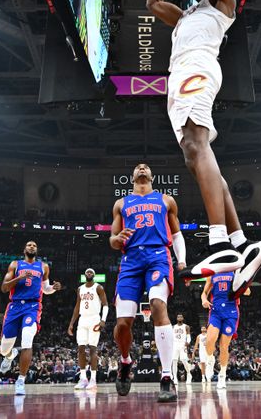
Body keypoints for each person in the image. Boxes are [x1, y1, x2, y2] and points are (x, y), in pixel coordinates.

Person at [146, 0, 261, 298]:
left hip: (197, 68)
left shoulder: (223, 4)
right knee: (195, 154)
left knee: (195, 145)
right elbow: (152, 3)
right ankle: (241, 240)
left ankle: (220, 245)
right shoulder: (186, 17)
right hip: (180, 76)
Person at [109, 163, 186, 402]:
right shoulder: (121, 203)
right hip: (131, 260)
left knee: (157, 305)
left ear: (152, 176)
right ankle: (125, 362)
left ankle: (166, 377)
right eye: (137, 167)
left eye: (146, 167)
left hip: (157, 257)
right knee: (123, 323)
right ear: (132, 176)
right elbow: (112, 240)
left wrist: (181, 261)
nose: (142, 168)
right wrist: (116, 238)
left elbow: (176, 234)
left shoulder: (166, 200)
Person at [0, 240, 62, 395]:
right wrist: (18, 278)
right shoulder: (15, 264)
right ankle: (10, 355)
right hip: (15, 306)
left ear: (36, 250)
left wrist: (53, 288)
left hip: (33, 307)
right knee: (4, 348)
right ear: (24, 249)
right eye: (29, 245)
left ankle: (21, 380)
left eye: (34, 245)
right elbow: (4, 287)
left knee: (27, 339)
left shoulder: (43, 266)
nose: (32, 247)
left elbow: (45, 289)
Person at [201, 271, 250, 389]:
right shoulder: (212, 274)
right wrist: (204, 300)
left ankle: (222, 375)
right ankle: (210, 359)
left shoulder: (236, 274)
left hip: (231, 311)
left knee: (224, 346)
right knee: (210, 339)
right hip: (215, 310)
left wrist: (243, 285)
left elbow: (248, 292)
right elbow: (204, 293)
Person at [68, 268, 109, 391]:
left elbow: (105, 304)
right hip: (83, 319)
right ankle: (83, 378)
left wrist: (103, 320)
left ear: (94, 275)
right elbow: (77, 307)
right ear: (85, 274)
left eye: (91, 272)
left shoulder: (98, 288)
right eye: (87, 272)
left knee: (92, 348)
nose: (89, 273)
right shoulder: (80, 289)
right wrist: (71, 324)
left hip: (94, 319)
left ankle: (93, 379)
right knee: (80, 348)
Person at [172, 314, 193, 385]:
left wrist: (188, 342)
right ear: (176, 318)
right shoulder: (173, 327)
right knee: (174, 360)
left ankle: (189, 374)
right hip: (175, 344)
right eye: (178, 317)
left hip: (182, 344)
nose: (179, 318)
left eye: (181, 317)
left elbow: (188, 336)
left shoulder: (186, 326)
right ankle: (175, 378)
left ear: (183, 318)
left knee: (184, 360)